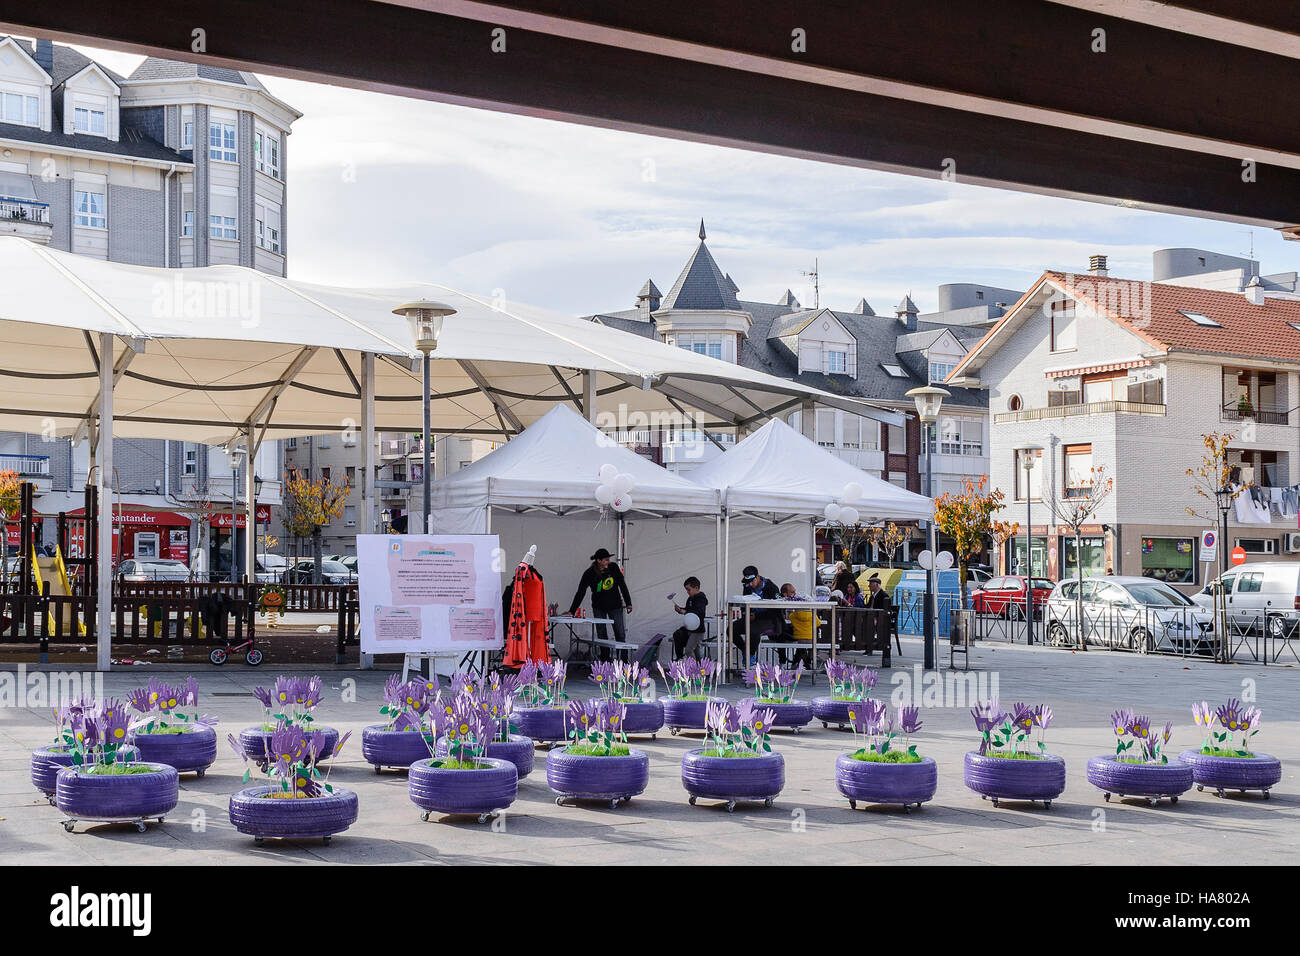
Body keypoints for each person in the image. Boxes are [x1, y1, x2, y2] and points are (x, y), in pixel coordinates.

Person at [569, 548, 632, 661]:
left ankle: (624, 660)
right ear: (599, 560)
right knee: (602, 634)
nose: (608, 562)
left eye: (608, 559)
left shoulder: (613, 568)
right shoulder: (589, 573)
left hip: (615, 605)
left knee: (620, 634)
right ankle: (605, 660)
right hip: (599, 607)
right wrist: (572, 610)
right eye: (606, 560)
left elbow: (622, 585)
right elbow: (581, 591)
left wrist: (628, 603)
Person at [730, 565, 780, 665]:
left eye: (752, 581)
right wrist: (746, 615)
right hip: (751, 616)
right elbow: (744, 603)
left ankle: (751, 655)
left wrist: (756, 616)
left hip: (769, 619)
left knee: (753, 630)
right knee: (730, 629)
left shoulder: (771, 588)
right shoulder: (747, 586)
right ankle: (746, 650)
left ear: (758, 577)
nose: (750, 584)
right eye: (748, 582)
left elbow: (775, 610)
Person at [672, 576, 709, 658]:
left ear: (696, 588)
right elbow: (688, 610)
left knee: (689, 650)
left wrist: (685, 611)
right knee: (678, 635)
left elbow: (700, 612)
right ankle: (680, 659)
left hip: (698, 631)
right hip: (689, 629)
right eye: (686, 590)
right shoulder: (690, 599)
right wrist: (680, 609)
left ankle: (692, 669)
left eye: (689, 589)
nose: (687, 592)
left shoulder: (701, 599)